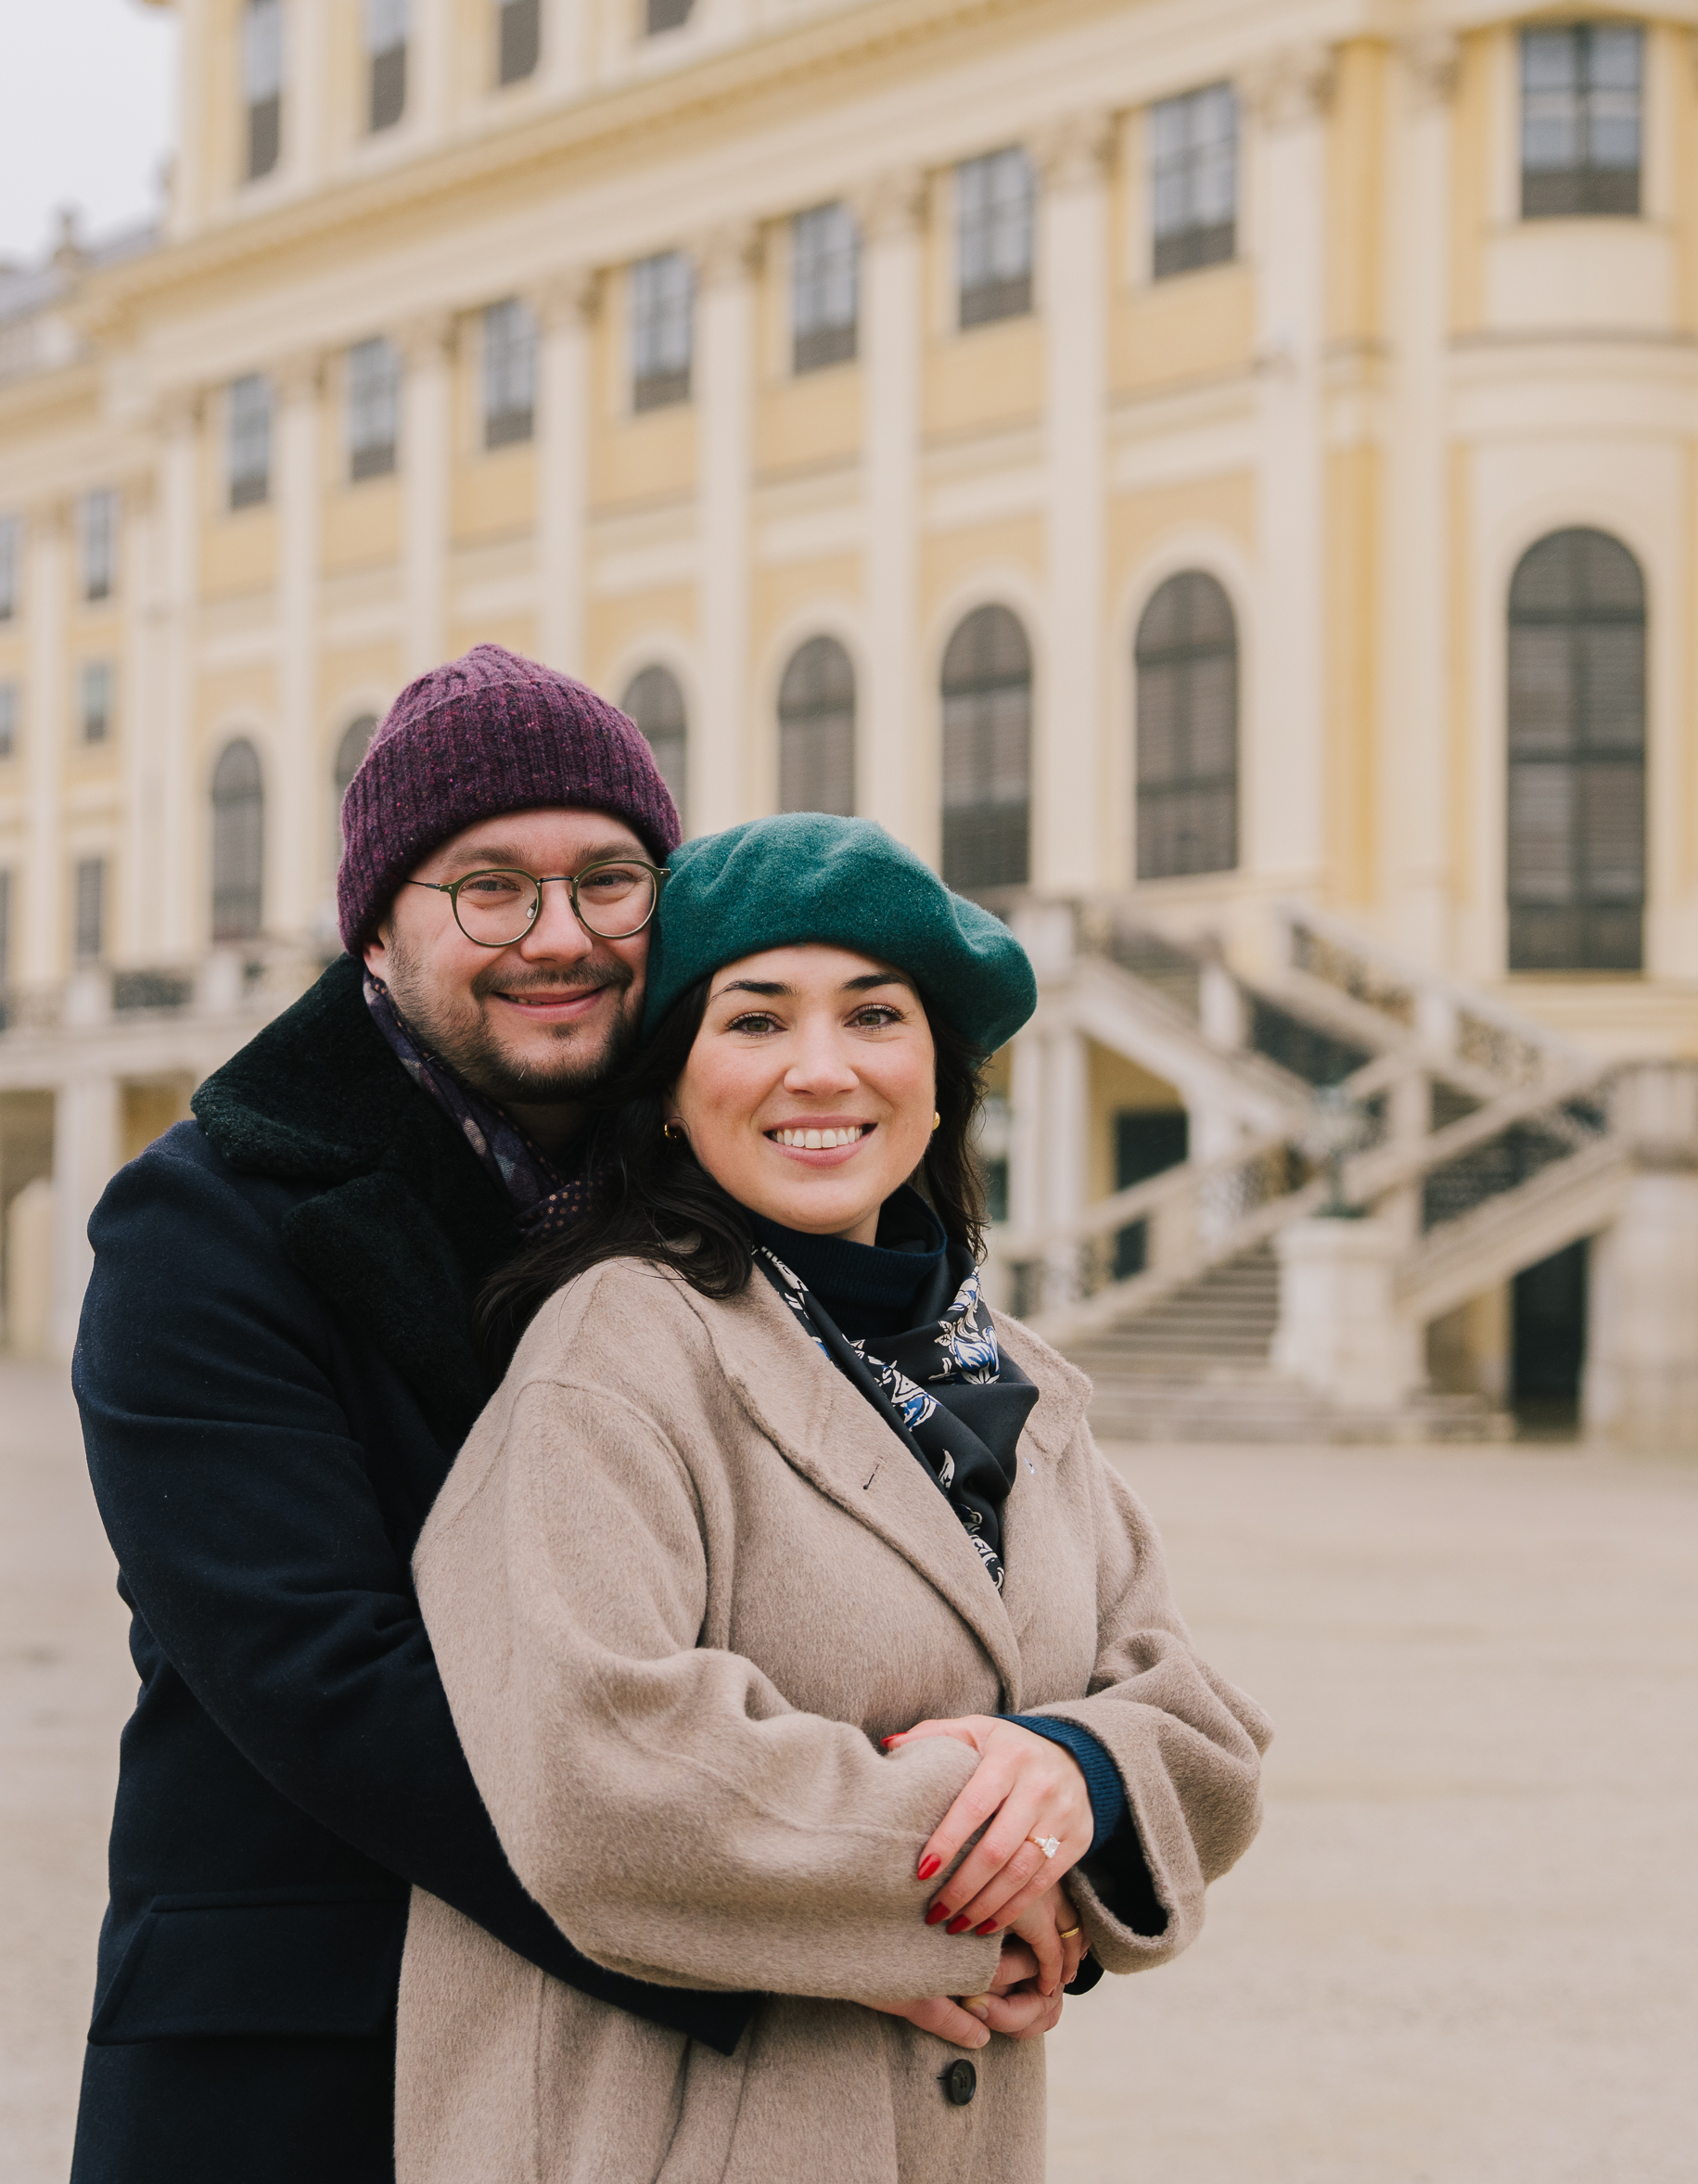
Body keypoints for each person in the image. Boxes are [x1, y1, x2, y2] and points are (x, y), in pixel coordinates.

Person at [65, 651, 1054, 2183]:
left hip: (655, 2069)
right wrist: (829, 1904)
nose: (562, 938)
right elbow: (331, 1685)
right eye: (489, 889)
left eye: (610, 879)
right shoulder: (203, 1227)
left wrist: (1055, 1811)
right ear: (377, 929)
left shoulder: (725, 1172)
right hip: (309, 2042)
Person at [402, 812, 1271, 2184]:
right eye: (754, 1022)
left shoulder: (1024, 1386)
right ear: (675, 1086)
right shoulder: (615, 1347)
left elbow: (1200, 1731)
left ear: (939, 1079)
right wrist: (988, 1875)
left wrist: (1081, 1771)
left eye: (875, 1014)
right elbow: (597, 1773)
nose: (821, 1068)